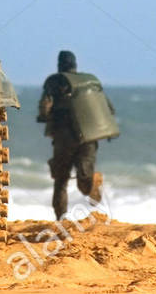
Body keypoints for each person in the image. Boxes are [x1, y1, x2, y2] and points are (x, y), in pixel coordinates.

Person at [37, 50, 119, 219]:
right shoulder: (89, 82)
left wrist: (44, 117)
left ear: (59, 65)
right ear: (75, 65)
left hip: (64, 137)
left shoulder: (55, 81)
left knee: (61, 179)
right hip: (89, 137)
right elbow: (108, 108)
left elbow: (45, 105)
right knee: (84, 175)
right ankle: (92, 183)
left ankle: (61, 218)